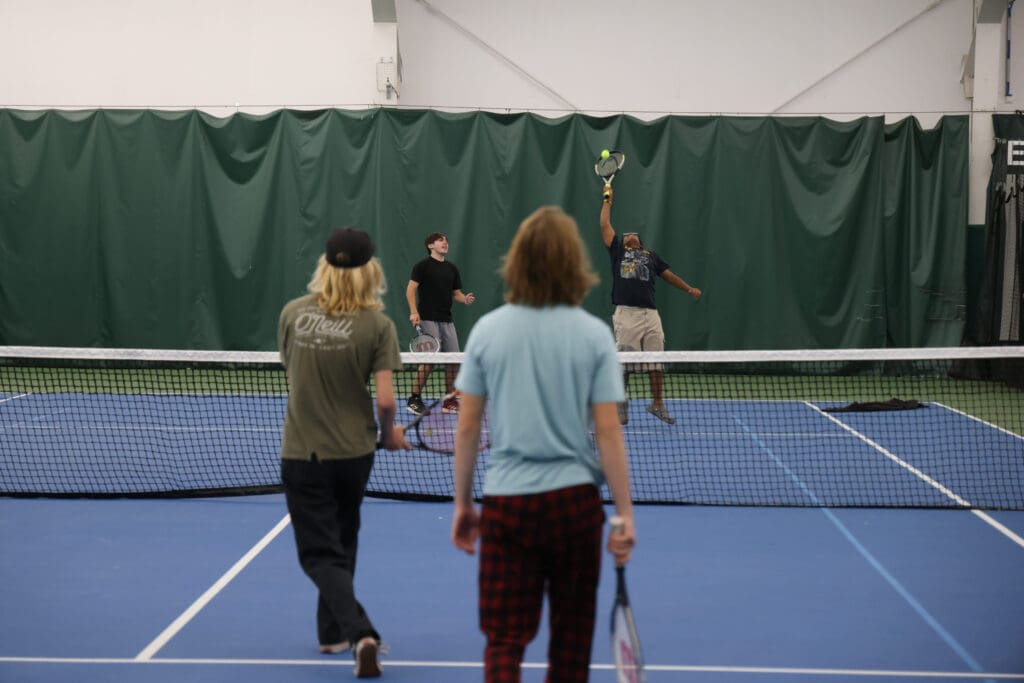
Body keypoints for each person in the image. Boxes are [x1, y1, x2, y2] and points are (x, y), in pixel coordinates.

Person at [450, 206, 637, 683]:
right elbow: (610, 431)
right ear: (574, 263)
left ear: (516, 263)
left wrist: (462, 505)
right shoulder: (595, 336)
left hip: (507, 506)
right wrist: (625, 515)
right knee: (571, 650)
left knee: (504, 641)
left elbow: (468, 427)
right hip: (575, 509)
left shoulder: (488, 330)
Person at [278, 226, 411, 679]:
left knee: (318, 554)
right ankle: (332, 633)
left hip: (303, 452)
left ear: (324, 267)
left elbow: (290, 371)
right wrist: (390, 433)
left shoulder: (293, 314)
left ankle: (359, 633)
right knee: (343, 539)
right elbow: (388, 400)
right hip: (355, 454)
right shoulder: (378, 325)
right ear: (371, 271)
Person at [599, 185, 702, 425]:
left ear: (640, 242)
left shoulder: (650, 255)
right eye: (626, 234)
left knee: (657, 360)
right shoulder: (617, 252)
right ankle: (620, 401)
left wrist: (688, 288)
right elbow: (605, 225)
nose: (630, 234)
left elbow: (668, 275)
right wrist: (607, 200)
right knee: (624, 361)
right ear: (624, 242)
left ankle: (657, 404)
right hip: (627, 315)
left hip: (651, 315)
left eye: (633, 234)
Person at [405, 232, 475, 416]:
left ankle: (449, 400)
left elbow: (456, 293)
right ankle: (414, 399)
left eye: (446, 240)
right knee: (429, 361)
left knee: (454, 362)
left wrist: (464, 298)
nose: (445, 243)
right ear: (430, 245)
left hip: (447, 320)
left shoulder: (451, 268)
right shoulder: (422, 266)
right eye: (440, 240)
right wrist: (414, 312)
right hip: (428, 318)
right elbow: (411, 289)